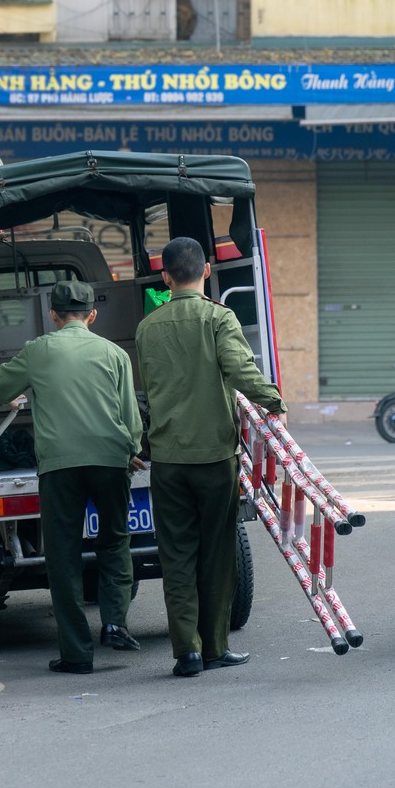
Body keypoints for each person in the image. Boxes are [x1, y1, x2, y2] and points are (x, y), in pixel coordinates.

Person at [136, 237, 283, 679]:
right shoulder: (218, 317)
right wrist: (274, 401)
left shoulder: (147, 327)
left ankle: (187, 652)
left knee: (176, 556)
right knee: (218, 555)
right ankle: (215, 648)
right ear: (206, 271)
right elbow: (239, 368)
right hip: (214, 457)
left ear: (165, 277)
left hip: (167, 460)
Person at [0, 280, 143, 676]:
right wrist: (131, 451)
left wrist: (13, 398)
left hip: (59, 466)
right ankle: (114, 622)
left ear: (53, 314)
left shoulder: (38, 350)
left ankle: (76, 653)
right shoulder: (114, 353)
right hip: (110, 460)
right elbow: (130, 416)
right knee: (115, 542)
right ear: (93, 315)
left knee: (63, 556)